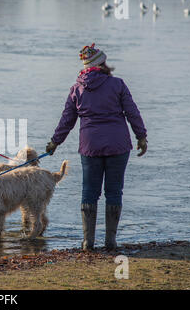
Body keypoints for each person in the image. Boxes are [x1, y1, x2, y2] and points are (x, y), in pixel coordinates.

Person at [45, 43, 147, 251]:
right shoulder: (117, 84)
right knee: (114, 191)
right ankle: (110, 241)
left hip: (90, 146)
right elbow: (132, 112)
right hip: (118, 145)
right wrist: (141, 136)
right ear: (102, 64)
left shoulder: (77, 89)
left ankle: (87, 242)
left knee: (89, 192)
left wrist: (55, 142)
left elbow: (67, 120)